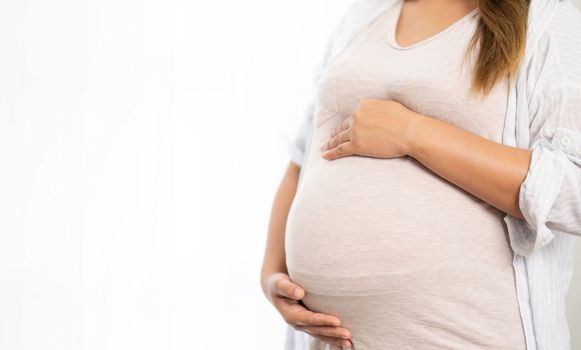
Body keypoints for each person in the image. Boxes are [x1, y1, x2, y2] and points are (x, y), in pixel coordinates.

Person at [261, 0, 581, 348]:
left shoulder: (549, 18)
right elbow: (303, 156)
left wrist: (414, 133)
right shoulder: (363, 16)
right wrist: (272, 274)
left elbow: (572, 188)